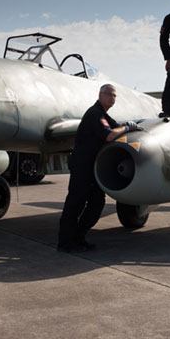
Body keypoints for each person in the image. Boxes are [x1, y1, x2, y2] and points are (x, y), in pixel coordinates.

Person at [58, 84, 141, 253]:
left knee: (97, 203)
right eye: (109, 94)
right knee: (75, 204)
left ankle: (79, 237)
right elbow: (110, 134)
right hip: (82, 166)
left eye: (115, 95)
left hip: (92, 168)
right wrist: (127, 128)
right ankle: (65, 243)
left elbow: (115, 126)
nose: (112, 98)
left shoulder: (103, 115)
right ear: (100, 95)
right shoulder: (94, 114)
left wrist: (131, 127)